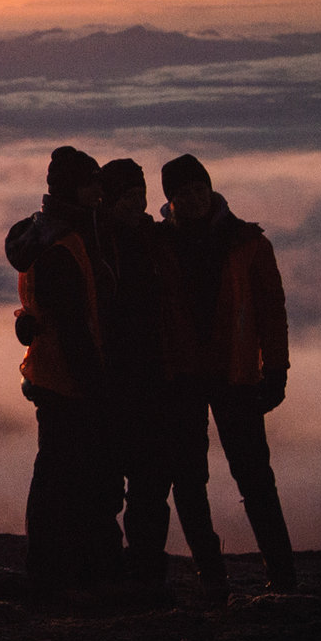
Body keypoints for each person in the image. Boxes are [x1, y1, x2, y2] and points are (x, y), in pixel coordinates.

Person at [162, 153, 298, 592]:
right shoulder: (157, 243)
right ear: (171, 199)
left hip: (235, 373)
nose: (195, 198)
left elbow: (271, 311)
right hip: (180, 375)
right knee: (188, 477)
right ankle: (212, 576)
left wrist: (275, 369)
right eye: (185, 192)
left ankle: (281, 576)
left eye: (200, 188)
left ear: (210, 187)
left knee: (254, 475)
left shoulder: (248, 242)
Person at [99, 158, 221, 592]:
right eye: (127, 197)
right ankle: (139, 576)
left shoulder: (155, 241)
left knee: (162, 484)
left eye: (140, 196)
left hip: (165, 380)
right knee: (139, 488)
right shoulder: (102, 246)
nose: (136, 205)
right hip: (127, 384)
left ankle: (155, 575)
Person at [6, 146, 123, 595]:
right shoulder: (62, 245)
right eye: (93, 183)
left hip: (50, 378)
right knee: (71, 478)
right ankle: (65, 574)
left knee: (58, 475)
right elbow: (73, 326)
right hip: (70, 383)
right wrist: (97, 388)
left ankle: (58, 569)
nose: (100, 191)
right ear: (75, 188)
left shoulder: (50, 234)